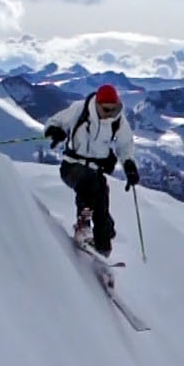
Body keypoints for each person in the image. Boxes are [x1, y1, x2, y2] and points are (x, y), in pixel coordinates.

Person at [43, 84, 138, 257]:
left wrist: (129, 166)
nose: (110, 112)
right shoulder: (80, 110)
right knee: (89, 186)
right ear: (97, 104)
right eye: (106, 109)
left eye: (113, 108)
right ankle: (83, 227)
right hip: (71, 165)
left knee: (101, 197)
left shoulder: (117, 119)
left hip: (95, 170)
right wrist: (54, 131)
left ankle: (103, 247)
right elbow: (54, 122)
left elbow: (125, 144)